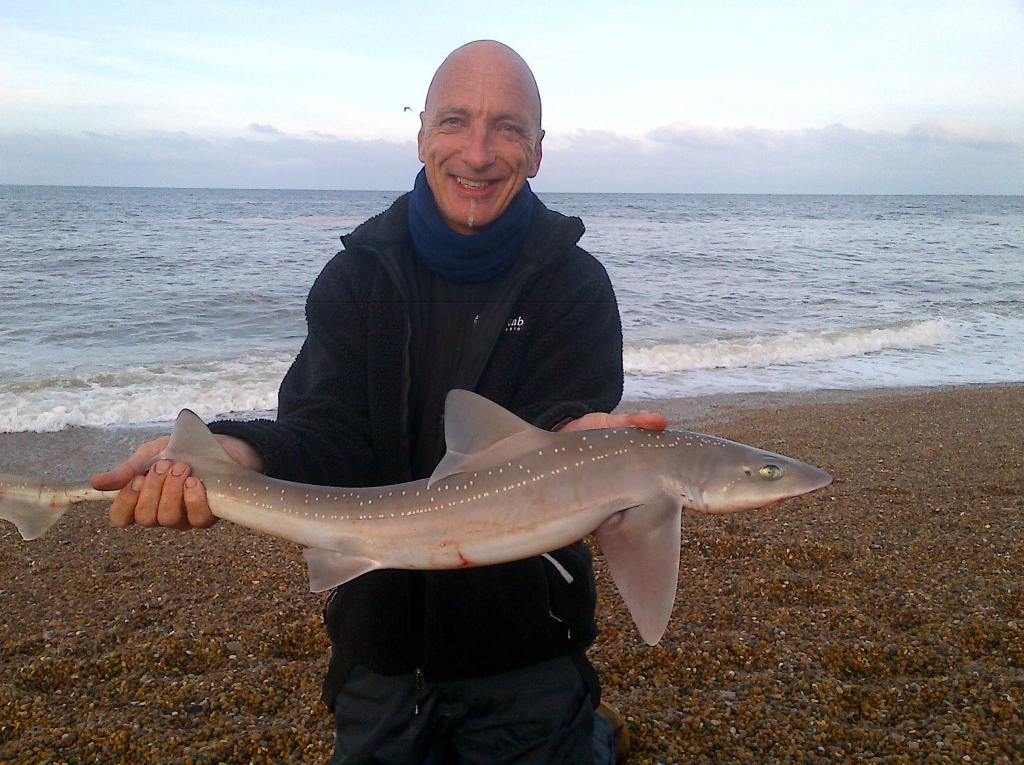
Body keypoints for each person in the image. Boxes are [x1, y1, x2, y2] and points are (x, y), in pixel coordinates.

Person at [93, 40, 666, 764]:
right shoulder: (354, 278)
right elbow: (328, 431)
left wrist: (583, 443)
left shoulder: (575, 288)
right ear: (421, 135)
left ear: (539, 150)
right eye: (456, 122)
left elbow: (563, 416)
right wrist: (234, 453)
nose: (479, 153)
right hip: (378, 647)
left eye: (508, 128)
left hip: (526, 645)